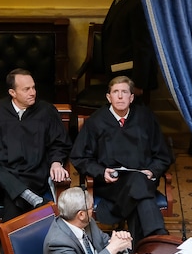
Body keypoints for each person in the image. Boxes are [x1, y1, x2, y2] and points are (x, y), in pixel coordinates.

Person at [0, 68, 72, 254]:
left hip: (31, 176)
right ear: (12, 92)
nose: (33, 92)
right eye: (26, 89)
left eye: (34, 87)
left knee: (14, 195)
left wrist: (56, 162)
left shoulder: (46, 112)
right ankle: (26, 197)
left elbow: (59, 144)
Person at [70, 75, 173, 243]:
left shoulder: (146, 118)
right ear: (108, 97)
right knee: (141, 191)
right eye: (115, 92)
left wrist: (153, 171)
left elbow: (163, 155)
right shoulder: (95, 122)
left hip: (143, 179)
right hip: (112, 184)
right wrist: (101, 172)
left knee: (138, 182)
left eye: (124, 92)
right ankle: (157, 237)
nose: (120, 96)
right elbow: (79, 157)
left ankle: (142, 245)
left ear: (131, 97)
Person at [39, 187, 132, 254]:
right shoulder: (57, 242)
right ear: (81, 215)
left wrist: (121, 242)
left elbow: (105, 241)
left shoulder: (87, 222)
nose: (93, 210)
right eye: (91, 207)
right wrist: (114, 247)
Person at [102, 0, 158, 104]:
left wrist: (138, 83)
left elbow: (143, 45)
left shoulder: (138, 0)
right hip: (119, 73)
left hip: (130, 77)